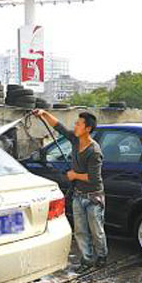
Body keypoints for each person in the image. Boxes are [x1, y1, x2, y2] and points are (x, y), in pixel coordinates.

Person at [32, 109, 108, 274]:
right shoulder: (75, 140)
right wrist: (43, 114)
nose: (75, 126)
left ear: (87, 128)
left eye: (78, 124)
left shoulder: (94, 151)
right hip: (78, 195)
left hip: (93, 197)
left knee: (96, 231)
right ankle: (87, 260)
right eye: (75, 123)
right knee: (80, 231)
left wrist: (74, 175)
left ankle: (101, 256)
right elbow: (58, 127)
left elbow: (94, 178)